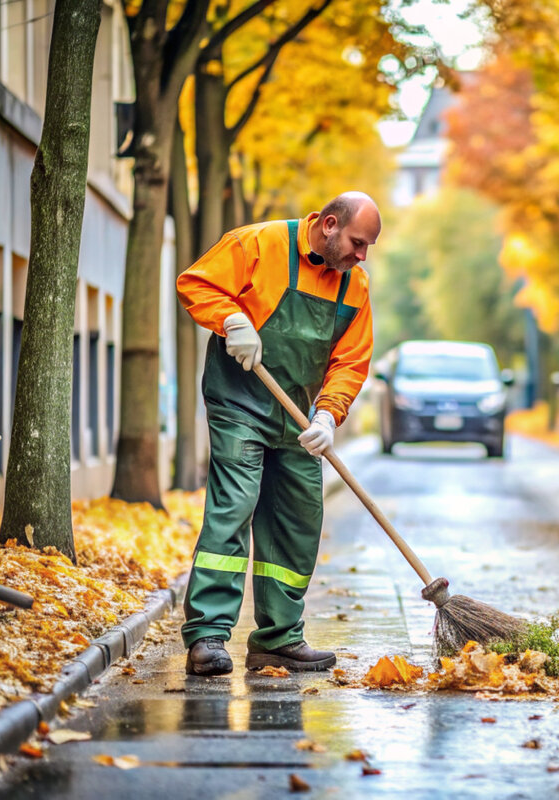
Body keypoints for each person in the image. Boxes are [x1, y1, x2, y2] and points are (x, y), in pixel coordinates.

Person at [176, 192, 380, 676]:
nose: (361, 255)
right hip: (239, 402)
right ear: (329, 225)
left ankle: (278, 638)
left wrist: (328, 416)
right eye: (356, 242)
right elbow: (196, 283)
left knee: (298, 518)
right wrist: (231, 319)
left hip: (298, 418)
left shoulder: (355, 287)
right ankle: (207, 634)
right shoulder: (258, 244)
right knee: (235, 507)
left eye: (368, 246)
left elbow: (350, 361)